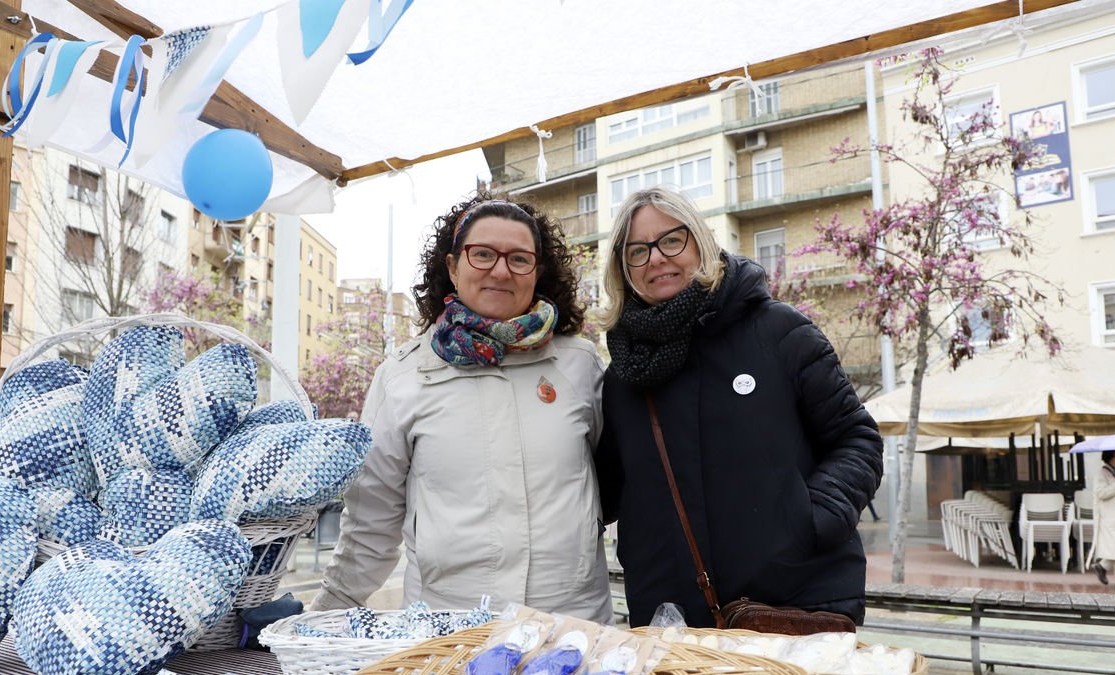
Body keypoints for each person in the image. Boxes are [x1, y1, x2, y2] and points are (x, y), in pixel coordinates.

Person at [311, 196, 612, 622]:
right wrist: (323, 615)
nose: (501, 270)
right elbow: (370, 526)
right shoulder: (403, 377)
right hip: (447, 632)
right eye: (483, 254)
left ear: (537, 273)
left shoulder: (580, 366)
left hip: (572, 627)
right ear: (453, 267)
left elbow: (613, 485)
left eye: (519, 258)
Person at [595, 186, 883, 628]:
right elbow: (606, 490)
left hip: (793, 604)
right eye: (637, 251)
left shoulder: (779, 332)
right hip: (668, 618)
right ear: (623, 269)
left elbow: (856, 437)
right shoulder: (622, 379)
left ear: (700, 242)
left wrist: (812, 519)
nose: (655, 258)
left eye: (671, 240)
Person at [1091, 449, 1115, 590]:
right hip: (1111, 518)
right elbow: (1101, 493)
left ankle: (1102, 566)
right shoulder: (1102, 473)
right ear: (1113, 457)